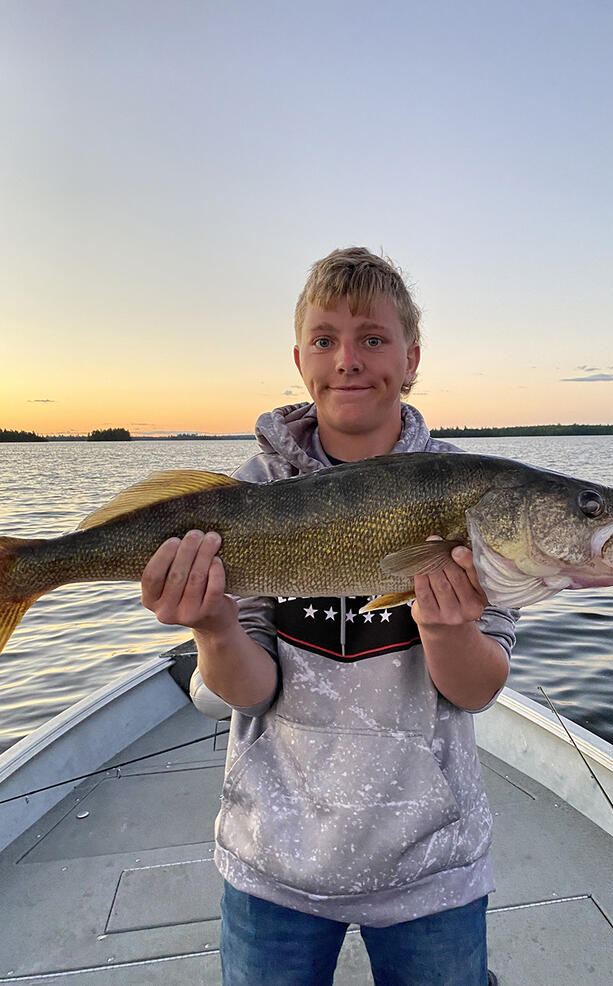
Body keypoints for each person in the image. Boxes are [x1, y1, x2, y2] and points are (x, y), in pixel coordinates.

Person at [141, 247, 517, 986]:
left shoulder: (473, 496)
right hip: (273, 861)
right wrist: (213, 626)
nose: (348, 360)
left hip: (431, 866)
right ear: (299, 357)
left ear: (411, 359)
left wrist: (446, 629)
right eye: (326, 339)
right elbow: (248, 693)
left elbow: (475, 691)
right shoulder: (248, 492)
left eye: (373, 338)